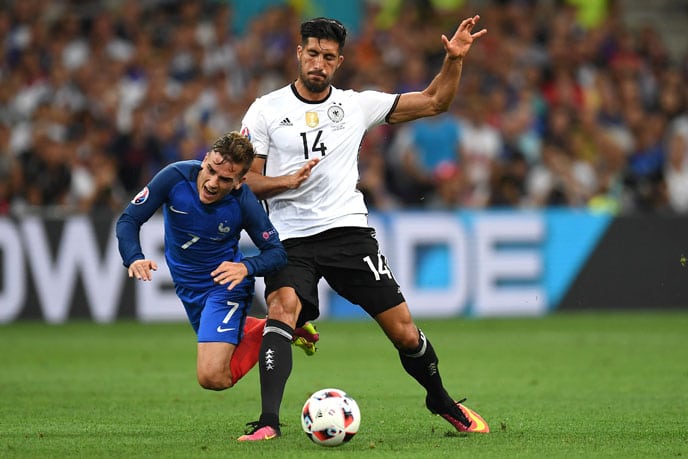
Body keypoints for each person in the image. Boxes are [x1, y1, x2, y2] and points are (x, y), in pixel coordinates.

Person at [237, 16, 489, 442]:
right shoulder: (265, 109)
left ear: (339, 62)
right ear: (299, 53)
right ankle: (267, 422)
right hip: (288, 237)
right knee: (281, 310)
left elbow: (433, 102)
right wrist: (286, 181)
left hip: (348, 234)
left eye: (328, 57)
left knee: (405, 332)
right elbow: (248, 179)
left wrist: (454, 60)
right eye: (312, 53)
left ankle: (441, 401)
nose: (319, 63)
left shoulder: (356, 105)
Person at [116, 131, 318, 393]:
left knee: (213, 377)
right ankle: (283, 327)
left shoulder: (243, 201)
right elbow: (129, 220)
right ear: (206, 158)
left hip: (224, 287)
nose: (212, 183)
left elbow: (276, 253)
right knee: (217, 364)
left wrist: (246, 267)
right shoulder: (175, 177)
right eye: (210, 170)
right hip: (188, 288)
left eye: (224, 179)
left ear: (239, 181)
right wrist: (134, 257)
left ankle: (282, 325)